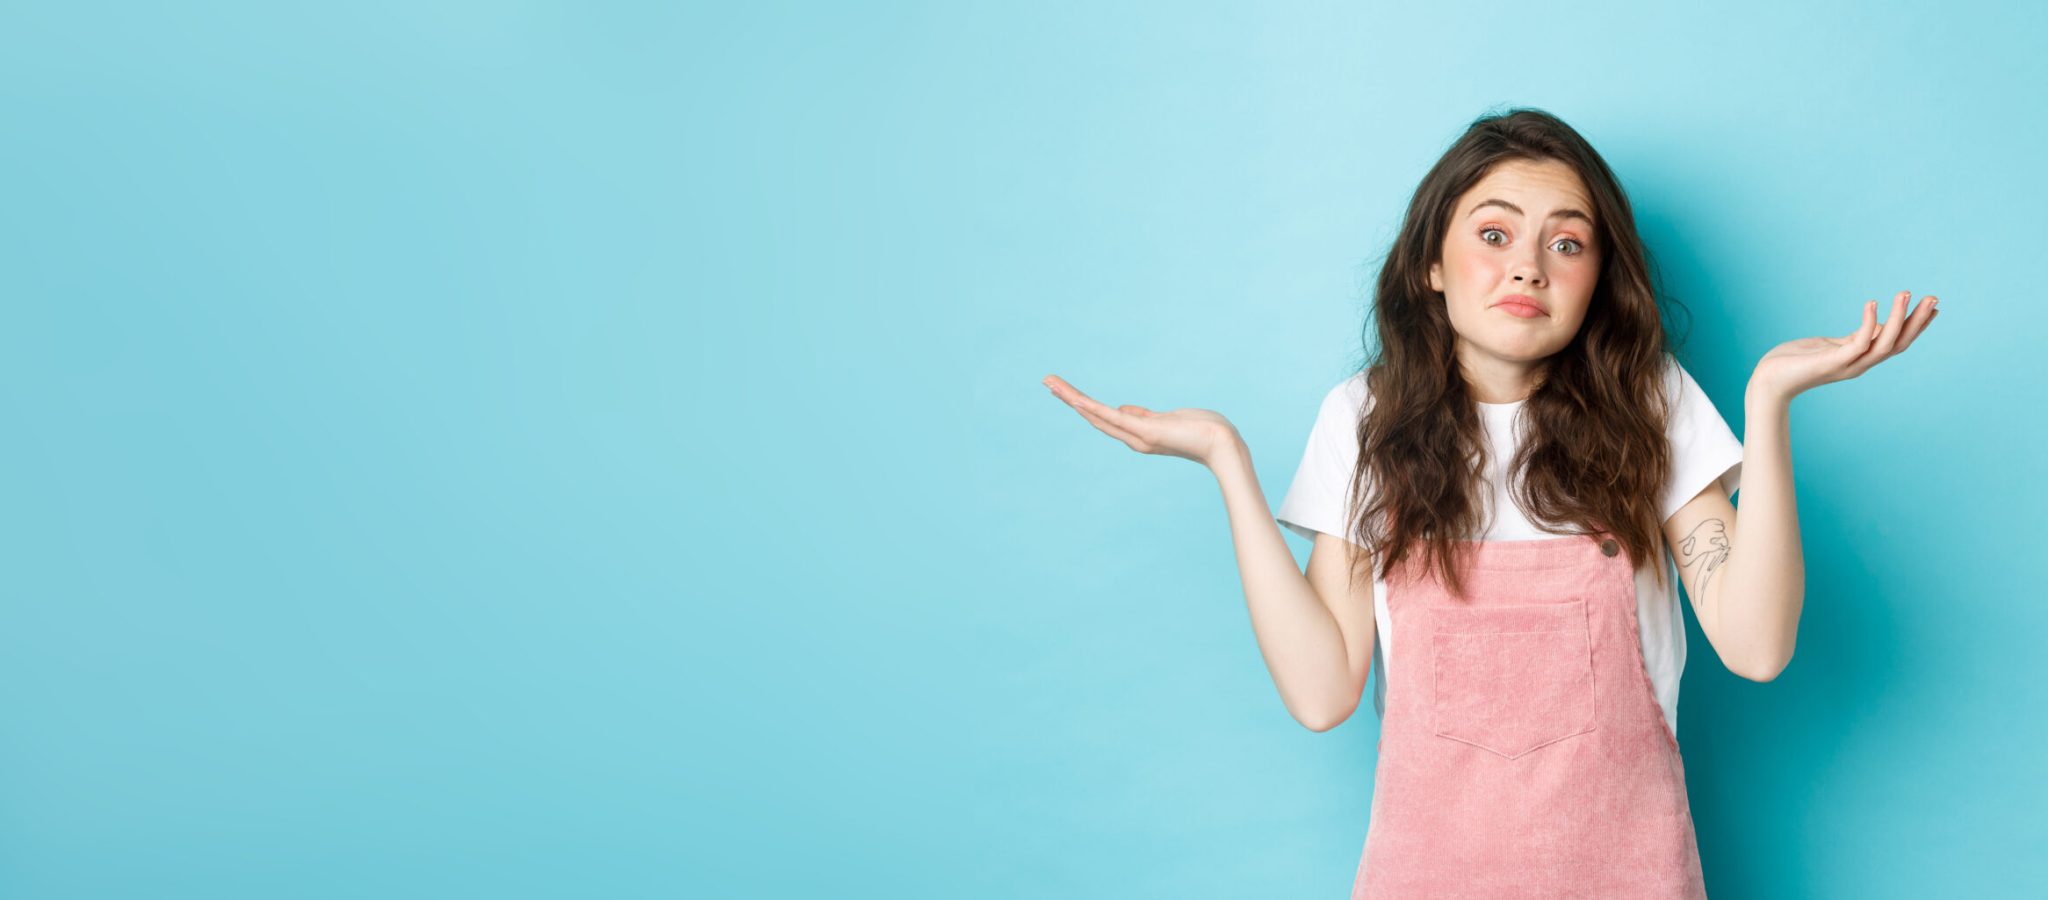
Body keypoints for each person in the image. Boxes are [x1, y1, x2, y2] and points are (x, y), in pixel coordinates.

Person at [1041, 107, 1939, 898]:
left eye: (1568, 242)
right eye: (1495, 234)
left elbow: (1757, 647)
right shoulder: (1364, 419)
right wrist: (1227, 463)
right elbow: (1322, 694)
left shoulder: (1653, 404)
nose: (1531, 268)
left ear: (1599, 280)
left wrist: (1769, 401)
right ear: (1432, 264)